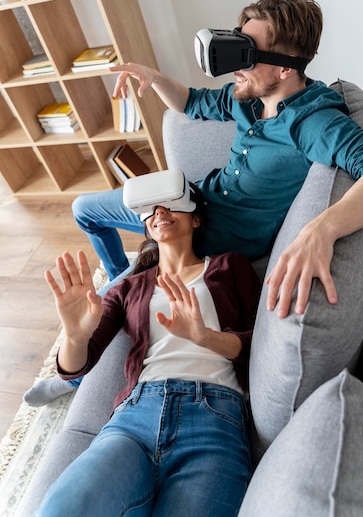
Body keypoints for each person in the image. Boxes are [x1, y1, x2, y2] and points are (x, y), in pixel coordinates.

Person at [27, 0, 363, 406]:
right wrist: (154, 79)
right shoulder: (251, 97)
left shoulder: (312, 122)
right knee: (84, 210)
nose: (235, 65)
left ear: (284, 68)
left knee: (98, 308)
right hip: (183, 200)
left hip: (197, 239)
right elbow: (191, 102)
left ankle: (73, 376)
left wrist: (321, 228)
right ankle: (117, 265)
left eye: (247, 52)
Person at [37, 180, 261, 517]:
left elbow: (260, 341)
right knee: (62, 510)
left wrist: (205, 337)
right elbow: (77, 365)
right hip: (135, 419)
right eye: (152, 209)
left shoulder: (231, 267)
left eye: (171, 203)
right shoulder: (128, 287)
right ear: (146, 225)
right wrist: (74, 336)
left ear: (196, 218)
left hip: (213, 421)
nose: (160, 211)